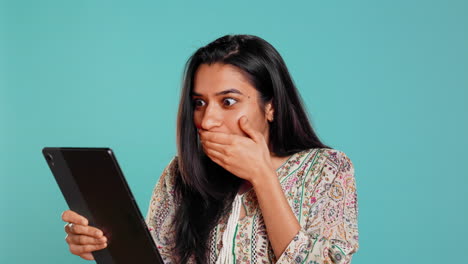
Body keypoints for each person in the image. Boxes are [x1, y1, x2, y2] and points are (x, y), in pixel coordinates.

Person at [61, 34, 359, 263]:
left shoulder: (327, 168)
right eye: (199, 103)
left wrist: (262, 176)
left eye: (228, 101)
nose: (208, 119)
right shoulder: (181, 173)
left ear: (271, 107)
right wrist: (105, 246)